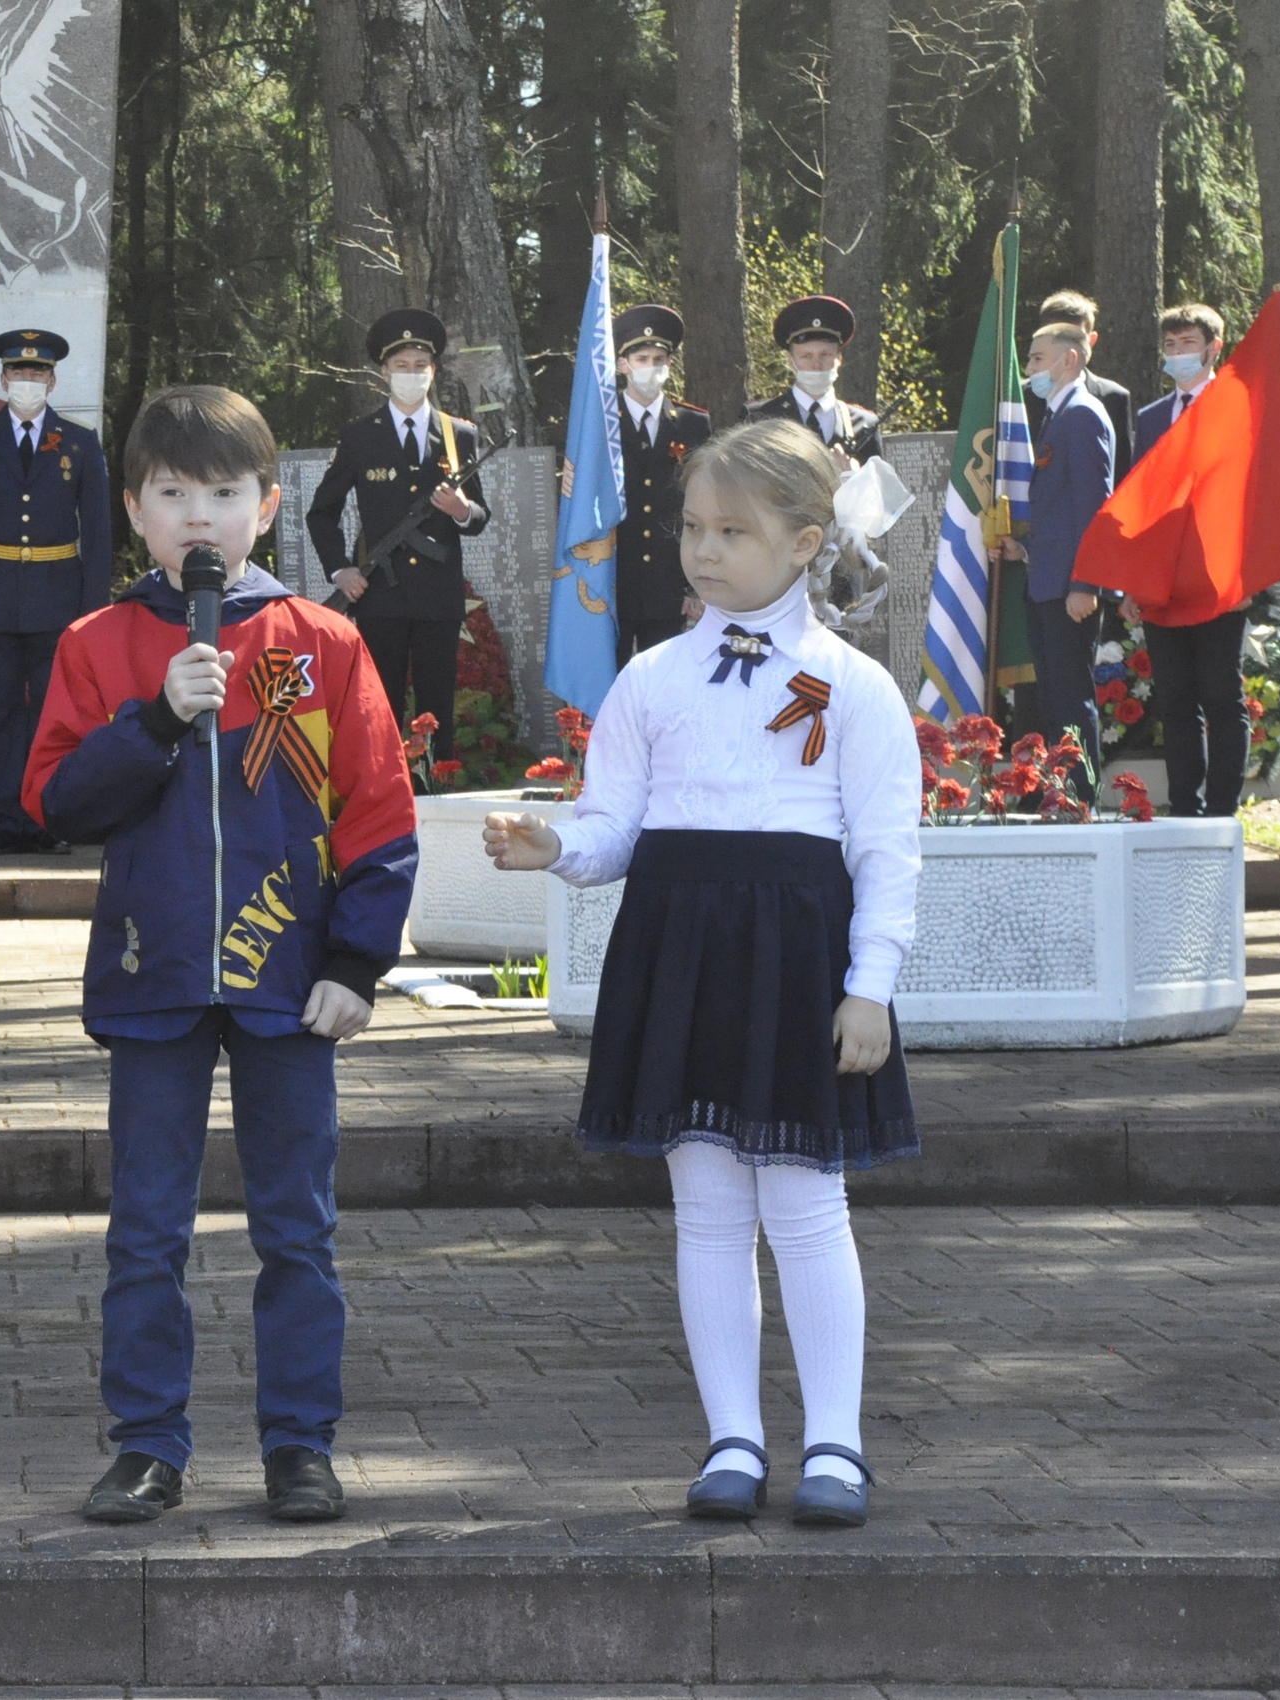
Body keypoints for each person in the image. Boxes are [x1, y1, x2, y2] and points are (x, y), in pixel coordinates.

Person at [484, 418, 922, 1530]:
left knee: (806, 1201)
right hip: (679, 953)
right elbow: (613, 825)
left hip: (798, 958)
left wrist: (870, 981)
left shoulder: (853, 685)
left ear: (804, 540)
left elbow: (885, 848)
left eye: (734, 530)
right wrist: (557, 848)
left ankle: (836, 1440)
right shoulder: (650, 676)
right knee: (706, 1205)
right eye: (691, 527)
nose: (705, 550)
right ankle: (731, 1433)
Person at [24, 385, 419, 1525]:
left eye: (223, 493)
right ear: (136, 512)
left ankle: (300, 1441)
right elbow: (54, 797)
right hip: (154, 976)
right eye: (172, 494)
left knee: (296, 1225)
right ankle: (147, 1442)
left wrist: (355, 962)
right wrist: (151, 720)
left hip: (290, 985)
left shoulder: (322, 643)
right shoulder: (99, 644)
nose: (199, 516)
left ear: (267, 505)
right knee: (147, 1226)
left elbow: (378, 816)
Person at [0, 327, 111, 855]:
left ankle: (48, 820)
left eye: (37, 373)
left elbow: (98, 533)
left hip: (58, 600)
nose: (27, 380)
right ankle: (2, 822)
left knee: (53, 717)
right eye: (18, 371)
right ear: (3, 377)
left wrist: (94, 611)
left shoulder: (80, 443)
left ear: (53, 381)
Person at [305, 307, 491, 763]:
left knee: (436, 704)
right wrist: (340, 570)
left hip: (437, 594)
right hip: (379, 594)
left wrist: (462, 510)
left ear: (434, 371)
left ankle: (436, 786)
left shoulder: (458, 435)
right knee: (379, 701)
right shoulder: (360, 436)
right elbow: (321, 513)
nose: (412, 375)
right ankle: (381, 791)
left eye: (420, 367)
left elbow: (482, 516)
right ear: (385, 371)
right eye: (402, 367)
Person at [1131, 302, 1251, 816]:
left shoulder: (1239, 407)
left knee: (1223, 698)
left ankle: (1222, 810)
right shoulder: (1151, 419)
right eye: (1172, 346)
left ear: (1213, 348)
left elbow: (1251, 498)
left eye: (1188, 345)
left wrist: (1249, 574)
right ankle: (1185, 807)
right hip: (1164, 584)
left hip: (1222, 581)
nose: (1178, 355)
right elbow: (1137, 506)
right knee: (1175, 700)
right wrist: (1132, 585)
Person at [1008, 320, 1116, 775]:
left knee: (1071, 698)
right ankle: (1063, 794)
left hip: (1069, 589)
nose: (1029, 369)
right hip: (1048, 582)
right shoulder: (1059, 414)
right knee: (1054, 697)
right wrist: (1025, 548)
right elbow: (1059, 514)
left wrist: (1086, 583)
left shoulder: (1083, 415)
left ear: (1068, 359)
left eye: (1036, 358)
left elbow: (1094, 509)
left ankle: (1079, 798)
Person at [612, 304, 711, 660]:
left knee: (666, 685)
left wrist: (695, 585)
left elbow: (704, 507)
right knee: (612, 688)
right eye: (642, 358)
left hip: (669, 582)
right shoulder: (600, 422)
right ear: (623, 364)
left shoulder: (693, 424)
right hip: (613, 580)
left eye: (659, 359)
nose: (651, 367)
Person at [744, 296, 882, 466]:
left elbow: (878, 490)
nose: (816, 365)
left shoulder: (864, 424)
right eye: (806, 356)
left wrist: (853, 478)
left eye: (825, 355)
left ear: (839, 358)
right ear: (790, 361)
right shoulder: (759, 417)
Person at [1031, 290, 1135, 484]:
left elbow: (1121, 475)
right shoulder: (1018, 396)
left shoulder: (1113, 398)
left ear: (1091, 340)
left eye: (1074, 337)